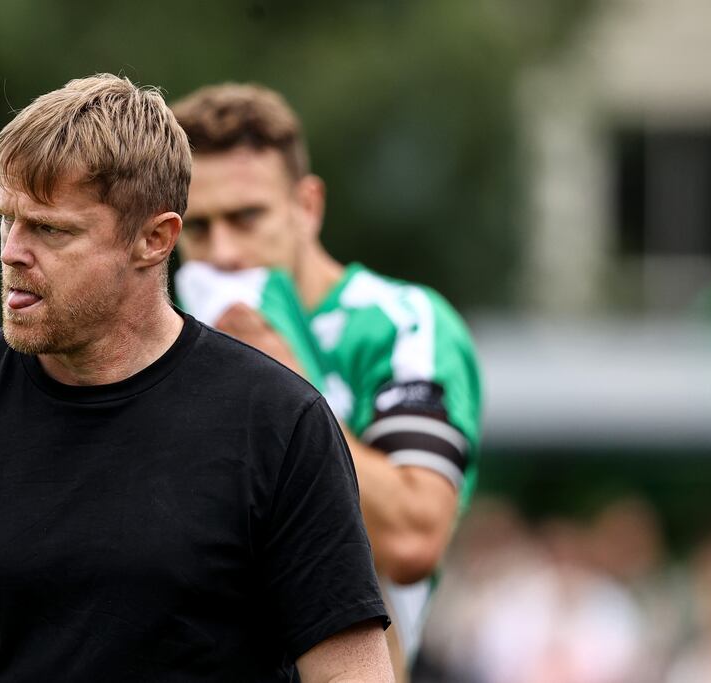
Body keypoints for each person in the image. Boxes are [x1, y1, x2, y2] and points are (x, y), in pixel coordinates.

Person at [0, 74, 394, 682]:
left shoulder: (279, 422)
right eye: (5, 219)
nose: (12, 251)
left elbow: (350, 675)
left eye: (50, 229)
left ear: (154, 239)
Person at [171, 83, 483, 678]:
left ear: (307, 207)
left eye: (246, 217)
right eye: (198, 228)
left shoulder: (401, 325)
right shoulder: (163, 343)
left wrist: (285, 387)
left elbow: (415, 538)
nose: (223, 252)